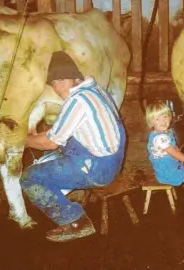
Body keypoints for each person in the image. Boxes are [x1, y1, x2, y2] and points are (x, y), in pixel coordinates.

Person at [20, 51, 126, 242]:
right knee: (58, 148)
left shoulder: (77, 101)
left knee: (29, 178)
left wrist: (21, 139)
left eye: (61, 80)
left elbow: (50, 142)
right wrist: (41, 136)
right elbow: (59, 133)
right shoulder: (96, 90)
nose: (58, 88)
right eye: (54, 83)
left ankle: (75, 222)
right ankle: (63, 193)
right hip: (112, 161)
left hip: (97, 170)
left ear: (75, 78)